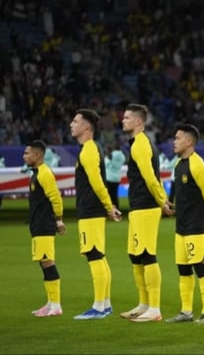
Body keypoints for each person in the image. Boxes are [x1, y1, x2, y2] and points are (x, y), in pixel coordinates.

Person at [120, 103, 172, 323]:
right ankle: (144, 304)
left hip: (146, 206)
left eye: (127, 117)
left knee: (147, 255)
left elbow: (151, 177)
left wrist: (162, 201)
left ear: (138, 122)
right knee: (136, 255)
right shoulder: (137, 143)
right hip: (138, 206)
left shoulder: (140, 144)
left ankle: (155, 308)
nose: (123, 120)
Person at [165, 124, 204, 325]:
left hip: (197, 226)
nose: (174, 141)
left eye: (178, 138)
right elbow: (179, 192)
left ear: (188, 142)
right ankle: (186, 311)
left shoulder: (198, 165)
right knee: (183, 270)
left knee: (201, 269)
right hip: (181, 228)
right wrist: (171, 205)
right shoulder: (179, 164)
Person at [70, 109, 121, 320]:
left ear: (86, 127)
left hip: (91, 210)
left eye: (75, 121)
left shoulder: (88, 150)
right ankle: (105, 304)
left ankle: (99, 307)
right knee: (98, 255)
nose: (71, 124)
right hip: (92, 210)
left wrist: (109, 206)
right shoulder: (89, 149)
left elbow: (97, 182)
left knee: (94, 255)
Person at [24, 140, 66, 317]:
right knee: (44, 262)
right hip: (38, 224)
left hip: (44, 224)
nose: (24, 156)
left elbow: (55, 197)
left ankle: (56, 305)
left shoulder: (44, 174)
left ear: (37, 155)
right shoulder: (36, 173)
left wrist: (58, 220)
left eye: (27, 153)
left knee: (48, 261)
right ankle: (50, 303)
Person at [105, 141, 126, 210]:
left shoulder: (111, 154)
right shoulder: (122, 156)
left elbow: (106, 163)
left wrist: (107, 158)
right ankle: (116, 210)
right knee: (115, 195)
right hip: (117, 178)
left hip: (109, 177)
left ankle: (110, 211)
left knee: (108, 196)